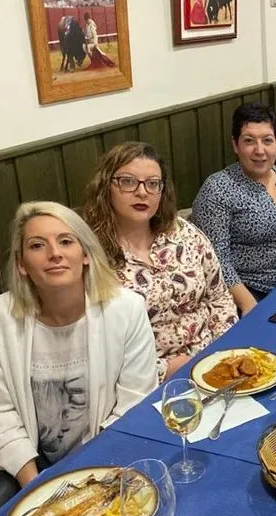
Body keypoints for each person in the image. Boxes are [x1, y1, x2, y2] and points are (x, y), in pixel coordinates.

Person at [0, 202, 158, 516]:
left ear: (85, 254)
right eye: (37, 245)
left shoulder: (127, 310)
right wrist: (36, 486)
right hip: (22, 465)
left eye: (66, 241)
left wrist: (83, 487)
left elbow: (133, 406)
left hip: (103, 457)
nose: (54, 253)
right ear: (22, 264)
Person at [82, 142, 237, 381]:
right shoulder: (89, 255)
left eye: (153, 184)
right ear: (106, 187)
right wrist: (164, 370)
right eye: (128, 181)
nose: (142, 192)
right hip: (143, 382)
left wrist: (224, 351)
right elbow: (94, 346)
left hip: (215, 361)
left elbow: (219, 297)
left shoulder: (183, 232)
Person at [191, 103, 276, 314]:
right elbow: (215, 260)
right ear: (235, 145)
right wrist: (249, 306)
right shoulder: (218, 188)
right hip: (248, 293)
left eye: (267, 140)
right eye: (249, 141)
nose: (259, 150)